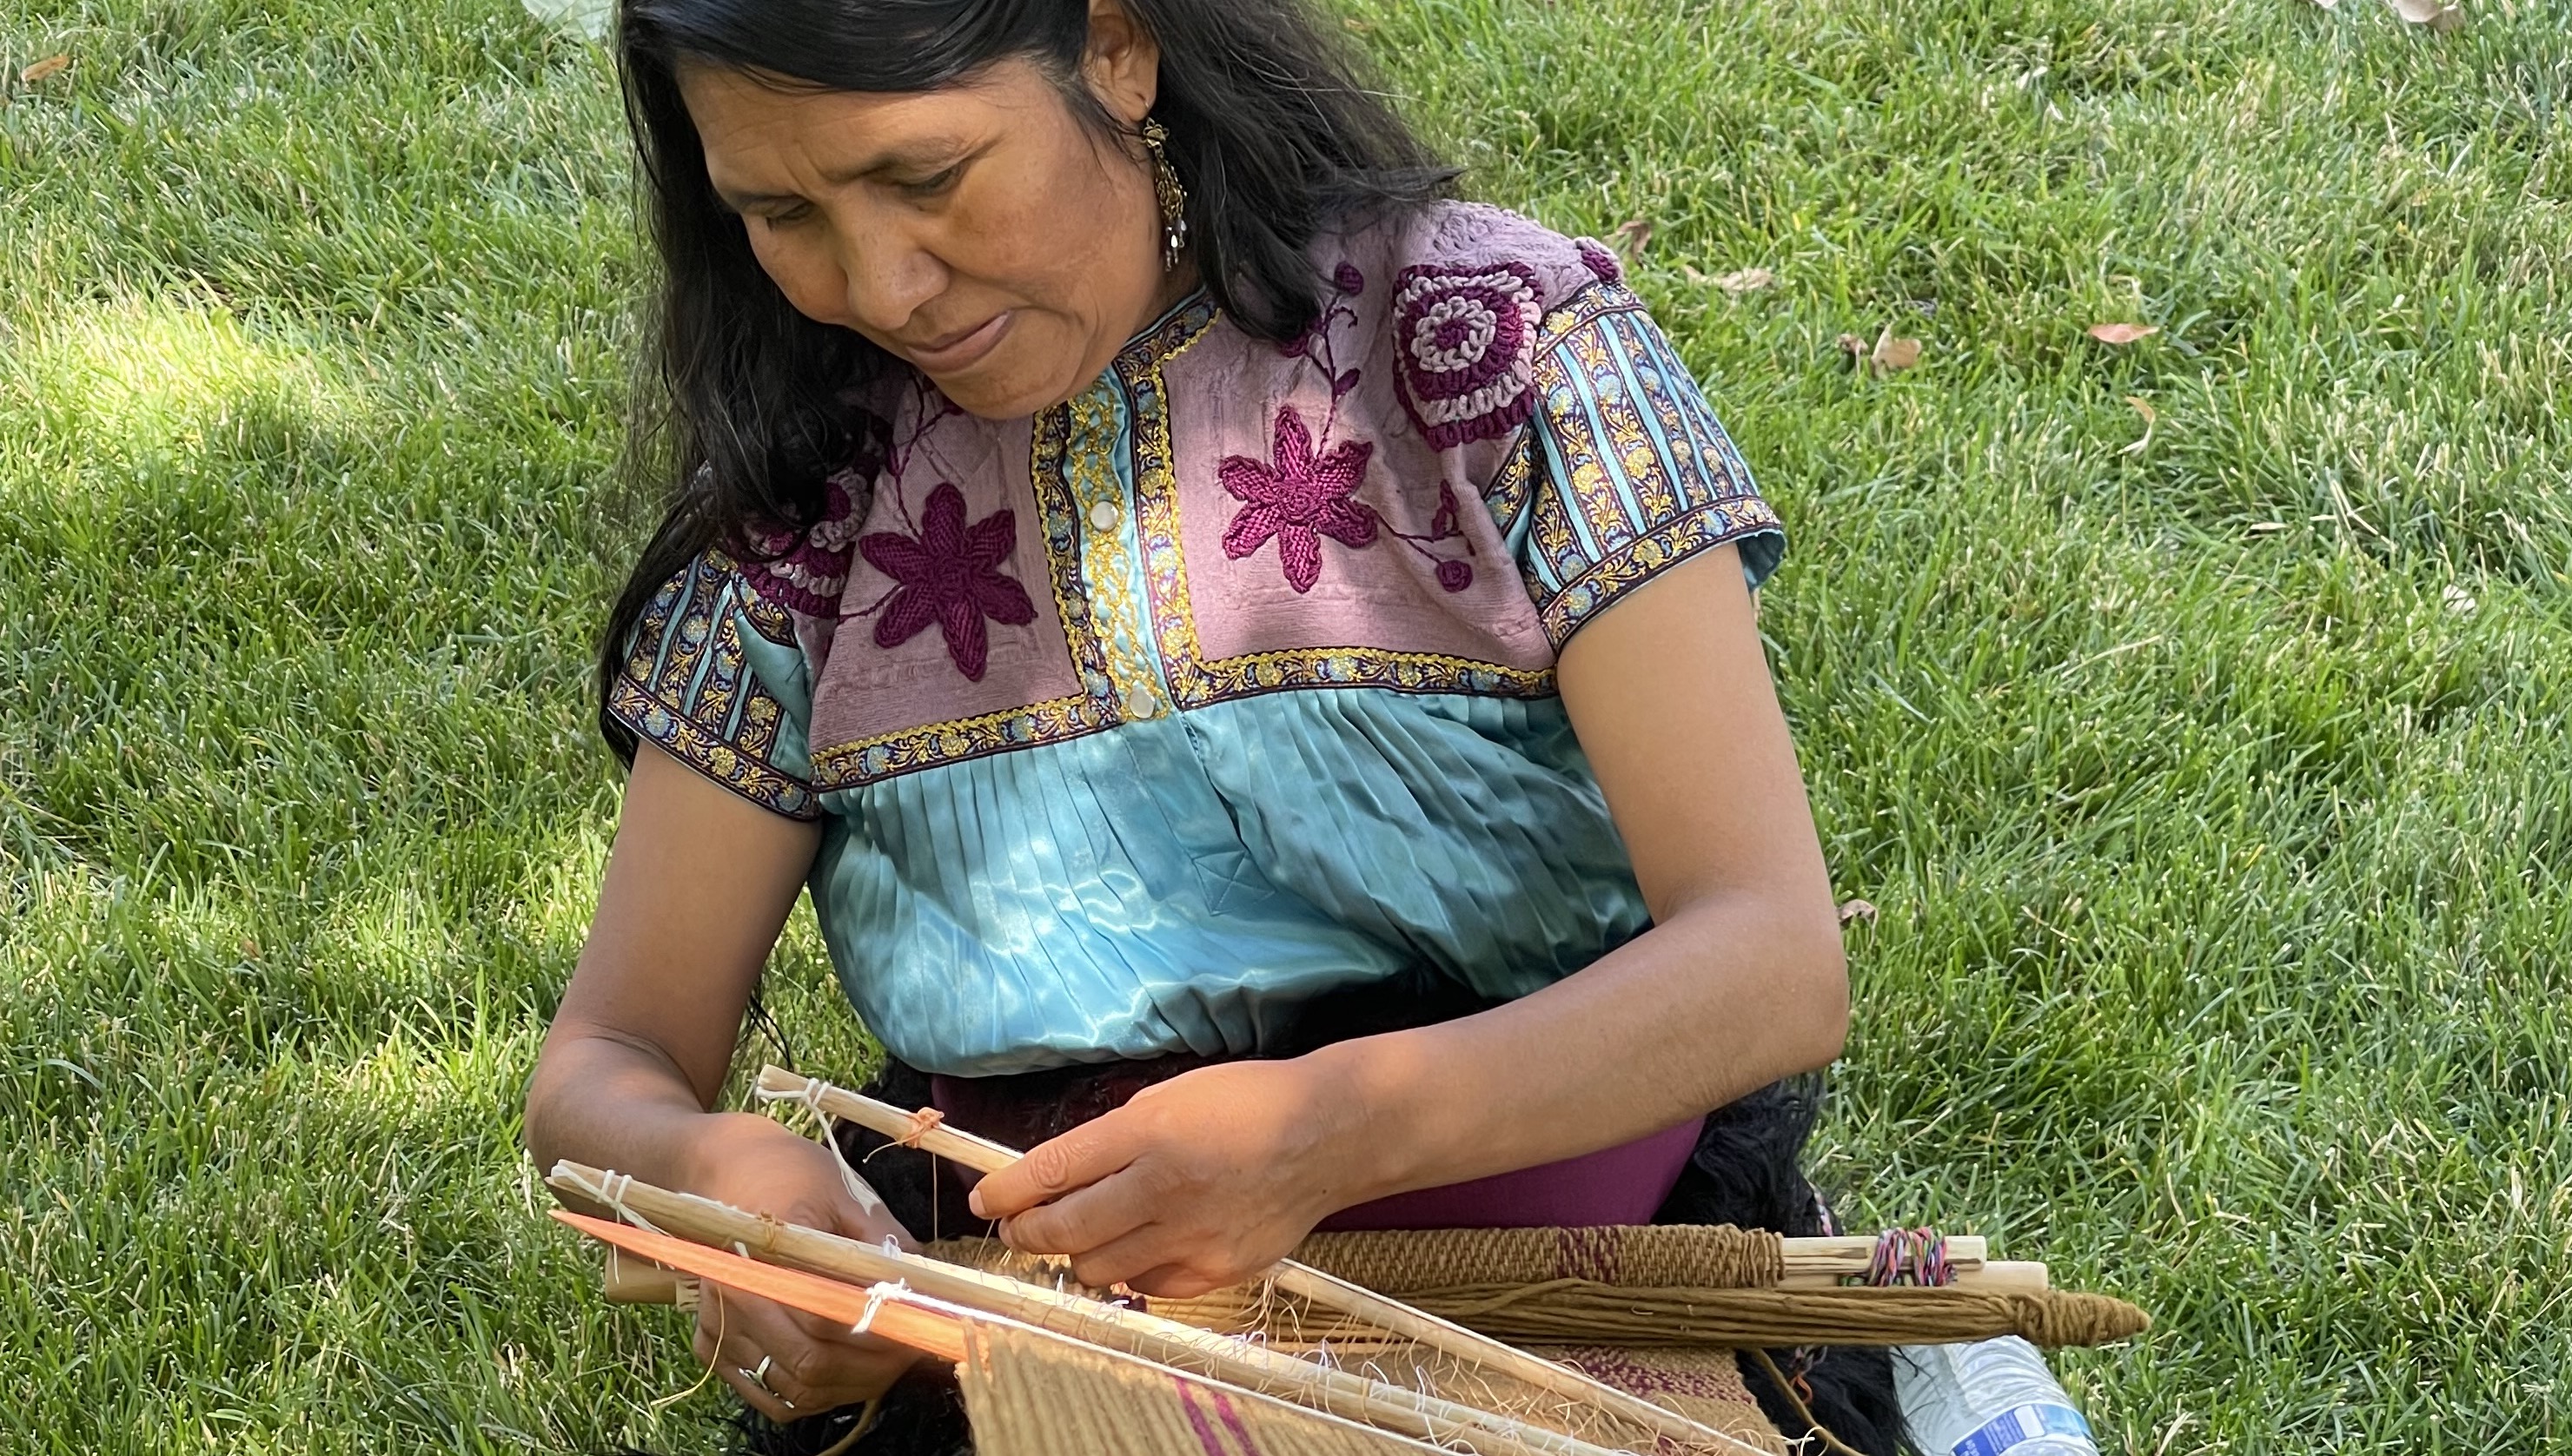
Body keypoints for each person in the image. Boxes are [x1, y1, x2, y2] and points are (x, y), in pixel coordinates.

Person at [523, 1, 1898, 1452]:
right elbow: (606, 1058)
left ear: (1114, 45)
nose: (882, 282)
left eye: (926, 177)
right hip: (1038, 1345)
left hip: (1553, 1323)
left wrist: (1331, 1134)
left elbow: (1769, 959)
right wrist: (706, 1170)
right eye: (779, 210)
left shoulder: (1483, 350)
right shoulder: (821, 497)